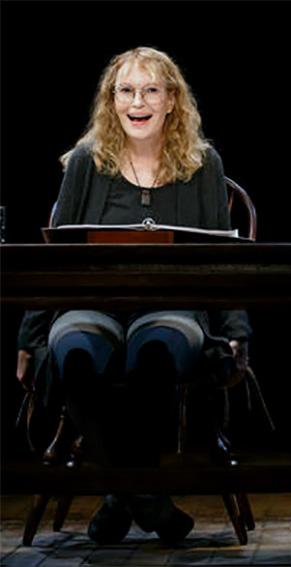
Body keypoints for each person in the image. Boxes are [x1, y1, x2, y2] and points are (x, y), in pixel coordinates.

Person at [15, 47, 251, 545]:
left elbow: (223, 257)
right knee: (74, 350)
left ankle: (121, 495)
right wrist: (28, 336)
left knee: (160, 348)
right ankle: (146, 497)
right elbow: (53, 253)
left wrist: (234, 331)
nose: (137, 101)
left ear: (171, 101)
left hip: (169, 308)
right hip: (90, 307)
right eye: (126, 90)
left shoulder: (202, 164)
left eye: (150, 90)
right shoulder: (85, 161)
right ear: (111, 100)